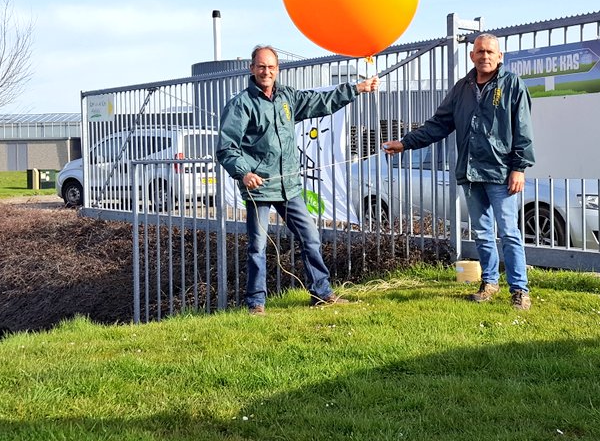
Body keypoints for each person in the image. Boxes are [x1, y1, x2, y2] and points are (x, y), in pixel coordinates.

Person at [216, 45, 380, 315]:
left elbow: (321, 102)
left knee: (310, 237)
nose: (266, 71)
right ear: (252, 68)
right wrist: (244, 172)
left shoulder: (287, 97)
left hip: (289, 187)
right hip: (259, 190)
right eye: (261, 66)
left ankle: (321, 293)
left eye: (271, 67)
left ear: (277, 69)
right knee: (257, 247)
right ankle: (256, 303)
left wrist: (357, 89)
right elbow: (227, 148)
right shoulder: (240, 104)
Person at [381, 33, 535, 310]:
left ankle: (519, 290)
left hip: (502, 173)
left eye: (490, 52)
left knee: (509, 232)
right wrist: (405, 143)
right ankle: (489, 283)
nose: (485, 56)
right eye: (480, 51)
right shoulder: (462, 88)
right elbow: (438, 124)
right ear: (471, 56)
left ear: (500, 56)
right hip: (471, 172)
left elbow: (523, 130)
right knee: (483, 233)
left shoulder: (513, 85)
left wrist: (519, 168)